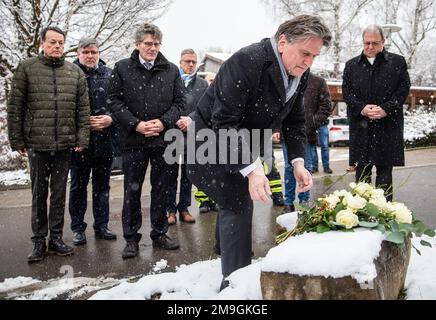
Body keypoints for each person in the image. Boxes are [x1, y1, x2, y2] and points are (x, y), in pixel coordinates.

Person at [186, 15, 331, 289]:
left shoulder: (300, 73)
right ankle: (235, 284)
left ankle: (224, 256)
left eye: (314, 56)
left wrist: (298, 162)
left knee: (233, 199)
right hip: (209, 141)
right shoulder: (247, 61)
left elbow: (295, 121)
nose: (308, 62)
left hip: (241, 141)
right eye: (305, 53)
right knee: (238, 199)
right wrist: (253, 170)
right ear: (283, 42)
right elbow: (224, 122)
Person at [7, 26, 90, 262]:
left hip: (65, 143)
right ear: (42, 44)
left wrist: (81, 138)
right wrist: (17, 139)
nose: (57, 46)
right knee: (38, 193)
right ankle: (38, 242)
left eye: (61, 43)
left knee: (58, 194)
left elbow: (83, 110)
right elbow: (16, 107)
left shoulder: (74, 72)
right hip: (37, 143)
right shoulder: (27, 68)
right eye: (52, 42)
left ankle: (56, 238)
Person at [108, 23, 185, 259]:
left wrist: (163, 122)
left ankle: (160, 233)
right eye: (148, 43)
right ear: (137, 44)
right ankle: (131, 238)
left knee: (161, 190)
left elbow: (180, 103)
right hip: (134, 140)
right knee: (133, 191)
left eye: (156, 44)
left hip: (162, 140)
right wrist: (136, 124)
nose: (152, 48)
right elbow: (114, 101)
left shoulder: (171, 70)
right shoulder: (122, 68)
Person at [342, 25, 410, 201]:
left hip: (387, 127)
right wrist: (362, 108)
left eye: (374, 43)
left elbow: (403, 90)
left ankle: (384, 214)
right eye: (367, 43)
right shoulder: (351, 65)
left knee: (385, 175)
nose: (370, 47)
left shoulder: (397, 62)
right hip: (361, 128)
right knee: (361, 175)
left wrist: (386, 108)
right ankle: (359, 212)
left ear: (383, 42)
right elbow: (347, 93)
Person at [68, 38, 117, 245]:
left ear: (99, 53)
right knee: (78, 186)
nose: (90, 56)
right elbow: (63, 106)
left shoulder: (109, 74)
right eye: (86, 52)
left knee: (102, 187)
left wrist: (110, 118)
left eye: (94, 52)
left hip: (104, 141)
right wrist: (82, 121)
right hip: (80, 142)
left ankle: (102, 225)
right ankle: (78, 228)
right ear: (78, 53)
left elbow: (118, 102)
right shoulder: (69, 73)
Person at [167, 49, 208, 225]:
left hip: (193, 134)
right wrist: (177, 119)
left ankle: (184, 208)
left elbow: (205, 108)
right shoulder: (171, 81)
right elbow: (165, 105)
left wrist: (190, 119)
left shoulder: (202, 85)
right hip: (173, 133)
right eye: (187, 61)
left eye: (193, 61)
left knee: (188, 174)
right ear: (180, 62)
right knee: (170, 174)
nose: (190, 65)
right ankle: (170, 210)